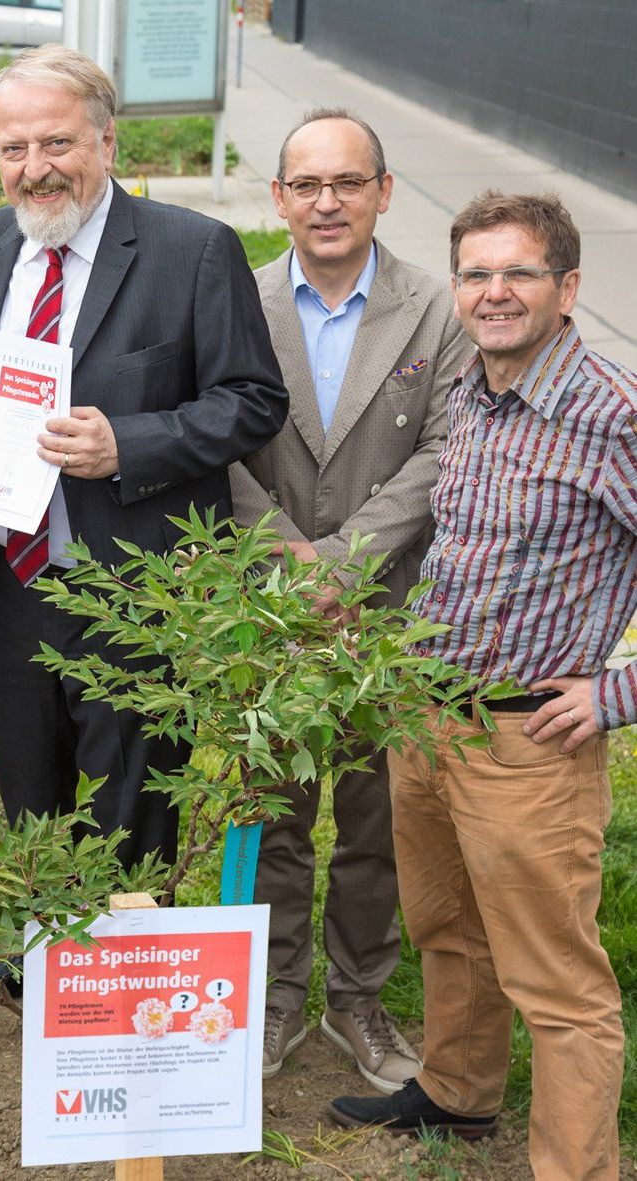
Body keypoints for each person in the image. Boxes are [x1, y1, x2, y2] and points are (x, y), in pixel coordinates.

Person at [330, 192, 632, 1180]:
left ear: (566, 288)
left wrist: (613, 695)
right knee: (446, 930)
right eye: (474, 273)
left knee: (556, 983)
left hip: (528, 746)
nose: (492, 292)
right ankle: (457, 1095)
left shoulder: (608, 417)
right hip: (426, 723)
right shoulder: (469, 393)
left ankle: (571, 1167)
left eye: (517, 273)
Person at [0, 45, 288, 878]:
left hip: (134, 595)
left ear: (108, 142)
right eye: (14, 148)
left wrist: (126, 445)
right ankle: (44, 975)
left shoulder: (195, 249)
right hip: (14, 583)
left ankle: (119, 996)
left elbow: (253, 399)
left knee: (132, 831)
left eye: (57, 143)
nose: (36, 168)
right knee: (27, 810)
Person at [230, 108, 470, 1091]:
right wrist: (290, 560)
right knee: (268, 808)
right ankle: (275, 991)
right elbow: (216, 445)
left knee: (376, 817)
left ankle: (356, 994)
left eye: (346, 181)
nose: (324, 201)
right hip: (262, 605)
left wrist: (344, 559)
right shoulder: (234, 304)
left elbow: (446, 448)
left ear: (382, 191)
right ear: (277, 197)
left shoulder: (437, 310)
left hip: (387, 606)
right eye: (304, 184)